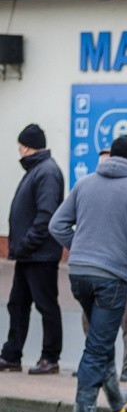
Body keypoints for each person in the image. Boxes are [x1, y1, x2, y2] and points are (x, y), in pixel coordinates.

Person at [49, 135, 127, 412]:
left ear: (112, 157)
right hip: (112, 277)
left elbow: (57, 225)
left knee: (100, 334)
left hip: (79, 273)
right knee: (97, 348)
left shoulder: (85, 183)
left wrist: (80, 250)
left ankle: (115, 399)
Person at [0, 124, 64, 374]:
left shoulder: (46, 172)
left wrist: (25, 244)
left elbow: (46, 215)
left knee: (46, 306)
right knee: (17, 304)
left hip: (39, 255)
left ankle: (50, 358)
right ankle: (11, 355)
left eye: (20, 147)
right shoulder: (37, 170)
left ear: (28, 147)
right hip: (29, 255)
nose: (19, 152)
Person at [80, 148, 127, 383]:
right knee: (91, 321)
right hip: (96, 265)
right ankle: (96, 364)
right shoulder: (90, 187)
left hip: (124, 267)